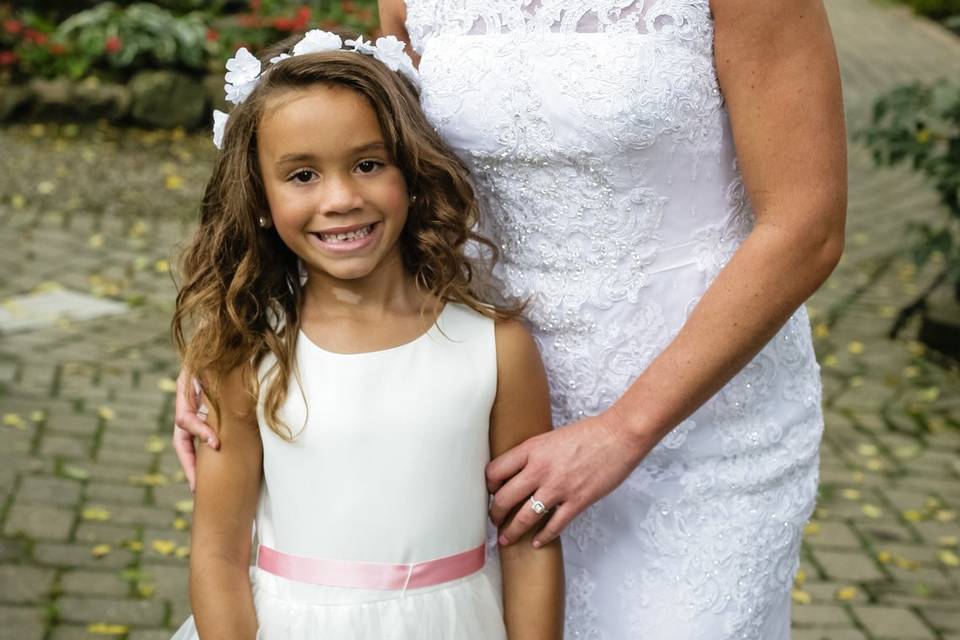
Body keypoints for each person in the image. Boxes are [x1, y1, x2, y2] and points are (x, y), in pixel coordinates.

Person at [176, 0, 847, 636]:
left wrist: (624, 429)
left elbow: (806, 225)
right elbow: (386, 159)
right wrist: (250, 335)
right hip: (459, 395)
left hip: (692, 430)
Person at [168, 31, 563, 640]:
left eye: (368, 165)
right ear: (262, 200)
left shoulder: (498, 348)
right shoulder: (250, 356)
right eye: (302, 175)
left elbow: (527, 542)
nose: (341, 199)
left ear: (412, 173)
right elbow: (217, 557)